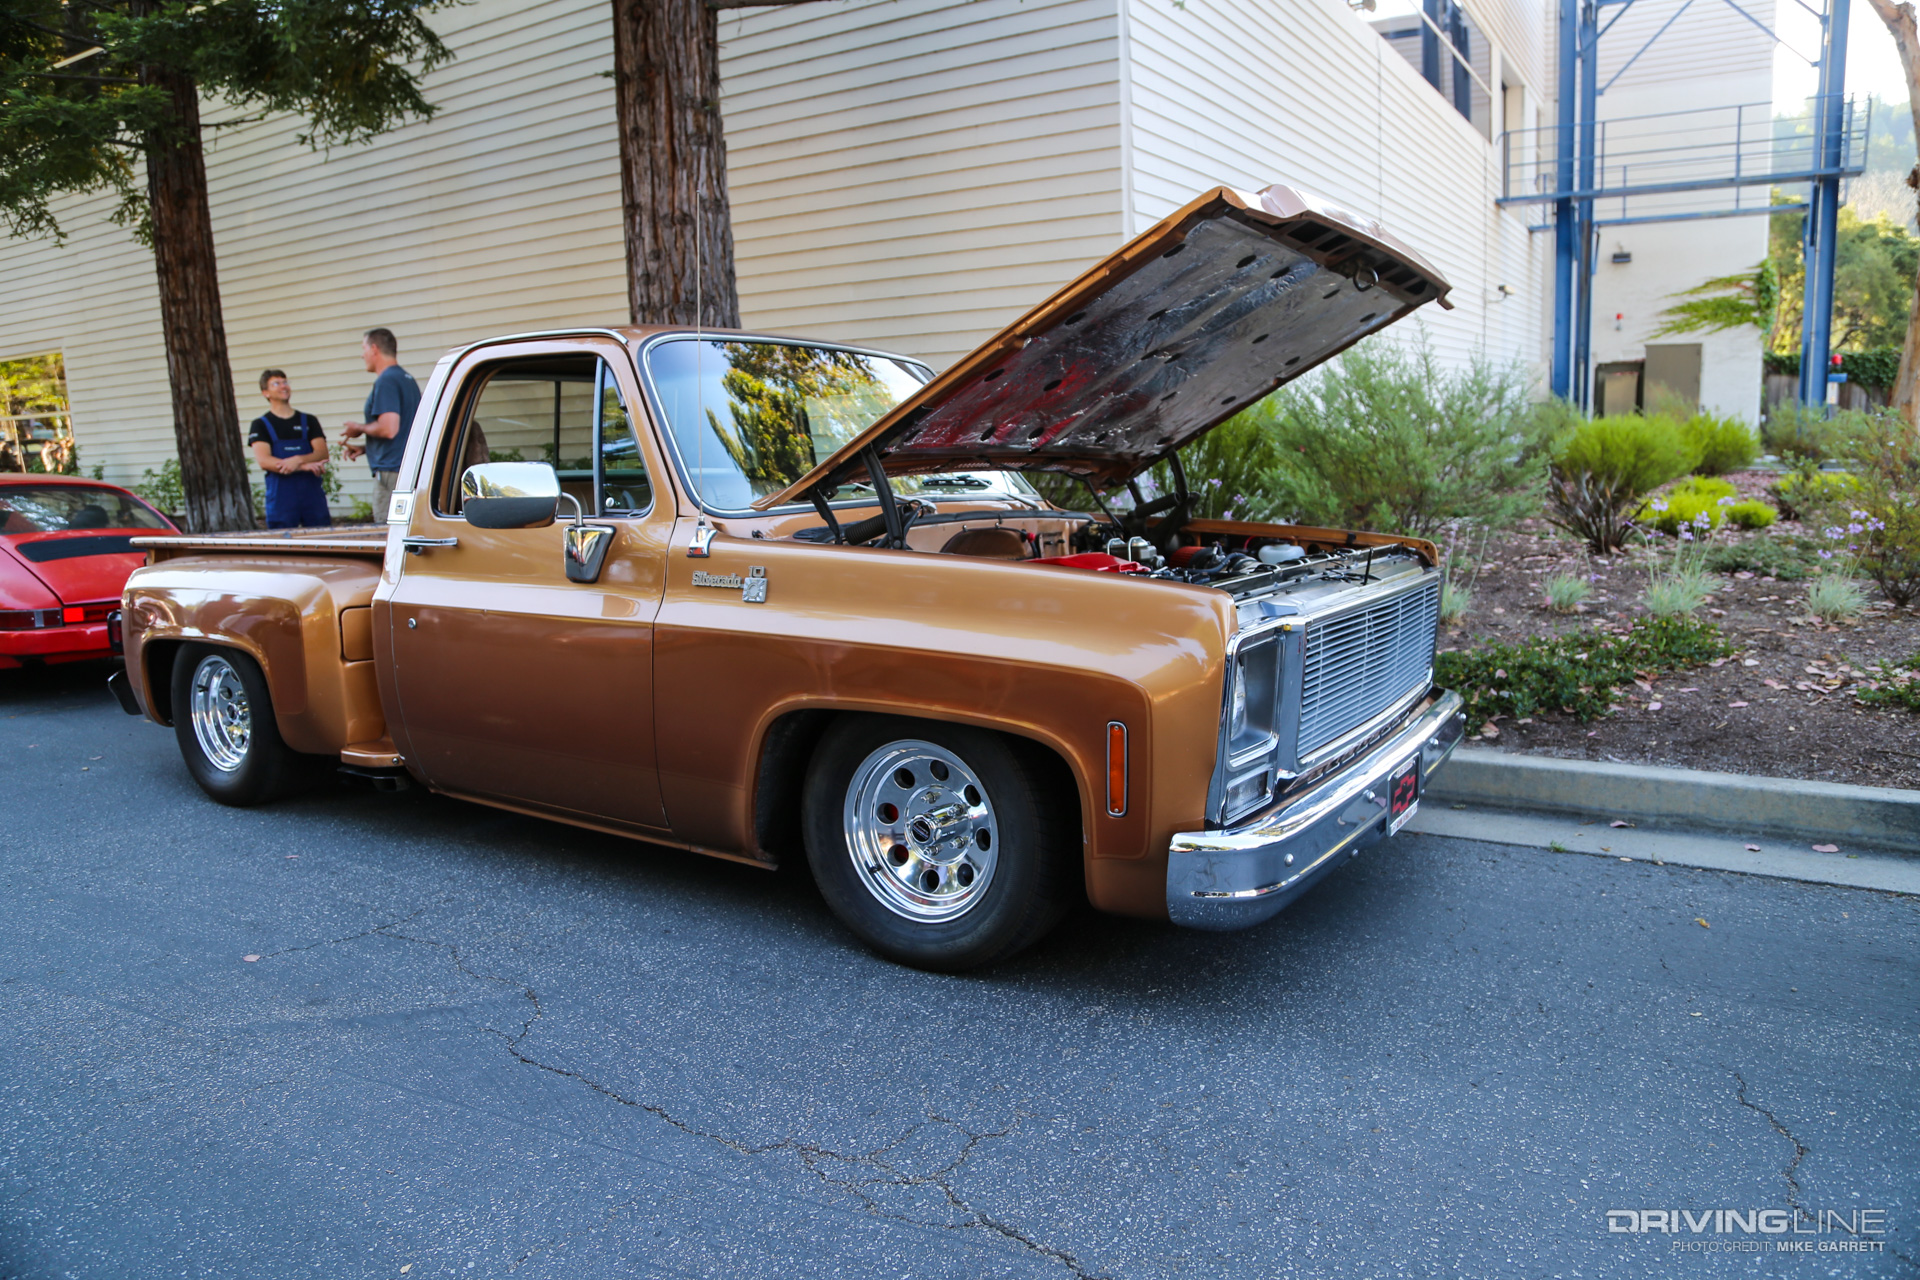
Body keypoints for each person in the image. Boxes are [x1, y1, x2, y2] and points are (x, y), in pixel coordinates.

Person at [340, 327, 421, 519]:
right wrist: (367, 447)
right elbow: (404, 430)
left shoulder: (387, 381)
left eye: (363, 348)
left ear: (374, 349)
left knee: (388, 533)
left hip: (392, 473)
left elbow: (389, 429)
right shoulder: (407, 379)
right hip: (407, 468)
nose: (362, 355)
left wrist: (358, 428)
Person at [248, 369, 332, 529]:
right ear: (265, 393)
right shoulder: (260, 424)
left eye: (285, 382)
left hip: (311, 496)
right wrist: (304, 466)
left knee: (321, 539)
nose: (283, 386)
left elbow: (322, 453)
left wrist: (297, 460)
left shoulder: (309, 420)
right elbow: (264, 461)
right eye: (276, 383)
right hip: (281, 498)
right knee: (282, 544)